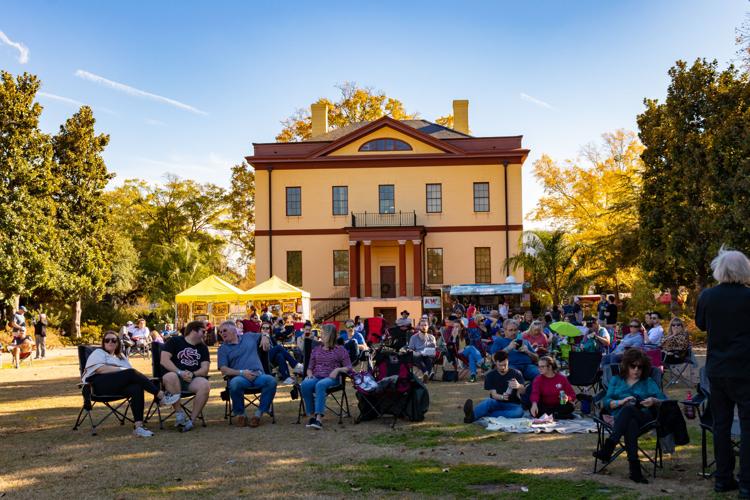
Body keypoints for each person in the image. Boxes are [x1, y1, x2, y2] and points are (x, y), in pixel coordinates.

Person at [695, 248, 750, 496]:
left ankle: (722, 478)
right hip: (745, 369)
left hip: (717, 369)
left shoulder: (708, 296)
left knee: (721, 425)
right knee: (748, 428)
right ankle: (747, 484)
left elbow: (701, 324)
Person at [82, 331, 180, 437]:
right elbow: (101, 369)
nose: (110, 342)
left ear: (118, 343)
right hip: (98, 386)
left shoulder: (121, 356)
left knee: (136, 388)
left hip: (117, 387)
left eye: (114, 340)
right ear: (103, 343)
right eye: (107, 340)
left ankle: (139, 427)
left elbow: (129, 374)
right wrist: (122, 370)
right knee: (132, 372)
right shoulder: (98, 353)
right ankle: (161, 395)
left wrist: (125, 372)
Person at [594, 349, 666, 484]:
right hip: (621, 418)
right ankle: (635, 471)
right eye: (633, 366)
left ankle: (608, 447)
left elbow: (664, 400)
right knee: (629, 421)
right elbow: (607, 401)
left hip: (644, 417)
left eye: (640, 367)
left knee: (630, 410)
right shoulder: (616, 380)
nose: (636, 370)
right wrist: (621, 401)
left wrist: (653, 400)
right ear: (626, 365)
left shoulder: (648, 381)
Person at [217, 320, 277, 427]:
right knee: (235, 383)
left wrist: (265, 337)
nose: (222, 333)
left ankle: (258, 415)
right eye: (220, 332)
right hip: (240, 378)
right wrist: (241, 373)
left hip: (258, 375)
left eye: (224, 330)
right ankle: (241, 415)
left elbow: (264, 333)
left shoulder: (249, 337)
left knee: (271, 381)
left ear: (234, 330)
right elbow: (223, 369)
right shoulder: (223, 349)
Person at [160, 320, 211, 433]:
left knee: (205, 384)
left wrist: (193, 374)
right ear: (193, 330)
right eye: (203, 331)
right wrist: (180, 372)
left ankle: (191, 421)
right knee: (171, 377)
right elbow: (164, 360)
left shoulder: (202, 347)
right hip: (173, 378)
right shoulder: (175, 341)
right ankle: (180, 415)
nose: (205, 334)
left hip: (191, 379)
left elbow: (205, 369)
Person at [301, 324, 352, 430]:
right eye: (321, 333)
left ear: (331, 335)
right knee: (305, 384)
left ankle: (319, 419)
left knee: (320, 385)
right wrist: (309, 375)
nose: (321, 335)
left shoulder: (340, 350)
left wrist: (338, 369)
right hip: (316, 376)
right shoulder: (316, 349)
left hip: (331, 378)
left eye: (323, 333)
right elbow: (309, 367)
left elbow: (349, 367)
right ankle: (312, 416)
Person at [463, 351, 525, 422]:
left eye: (505, 365)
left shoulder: (516, 373)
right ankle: (471, 416)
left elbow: (523, 391)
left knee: (519, 412)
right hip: (496, 402)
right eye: (500, 365)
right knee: (488, 402)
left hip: (513, 404)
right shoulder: (490, 375)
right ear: (495, 363)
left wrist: (519, 386)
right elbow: (494, 395)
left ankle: (487, 414)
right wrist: (502, 397)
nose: (503, 367)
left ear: (508, 361)